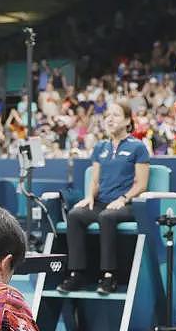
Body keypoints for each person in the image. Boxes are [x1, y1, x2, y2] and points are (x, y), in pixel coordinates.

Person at [57, 101, 150, 296]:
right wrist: (89, 197)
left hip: (128, 204)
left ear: (127, 121)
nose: (109, 119)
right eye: (108, 115)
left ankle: (109, 275)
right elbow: (95, 180)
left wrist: (123, 198)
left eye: (116, 115)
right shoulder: (101, 147)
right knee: (75, 215)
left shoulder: (137, 147)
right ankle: (77, 273)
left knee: (107, 216)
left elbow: (141, 184)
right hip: (102, 202)